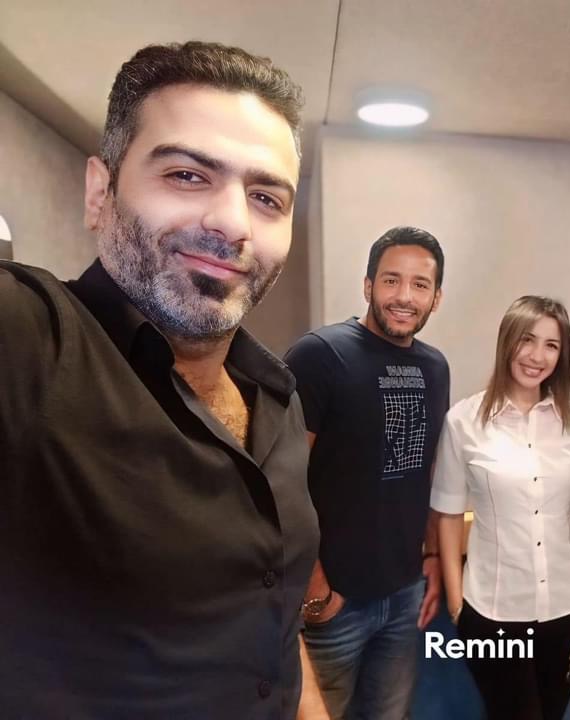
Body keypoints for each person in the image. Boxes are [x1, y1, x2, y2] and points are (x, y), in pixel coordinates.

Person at [0, 42, 323, 718]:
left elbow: (272, 612)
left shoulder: (278, 398)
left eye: (266, 197)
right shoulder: (32, 343)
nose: (233, 222)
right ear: (100, 192)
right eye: (186, 175)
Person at [284, 226, 450, 720]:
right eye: (391, 280)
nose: (404, 296)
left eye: (420, 284)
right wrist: (316, 591)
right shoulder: (320, 355)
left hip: (403, 596)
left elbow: (426, 470)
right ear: (368, 285)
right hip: (334, 603)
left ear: (436, 298)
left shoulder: (435, 368)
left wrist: (433, 553)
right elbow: (281, 481)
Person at [431, 295, 570, 720]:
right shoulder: (464, 421)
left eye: (552, 345)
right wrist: (457, 606)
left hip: (569, 608)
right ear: (507, 342)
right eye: (527, 340)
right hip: (494, 613)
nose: (537, 356)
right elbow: (449, 515)